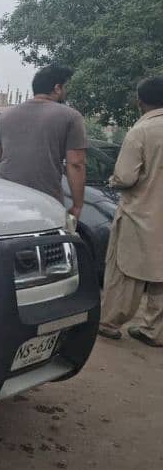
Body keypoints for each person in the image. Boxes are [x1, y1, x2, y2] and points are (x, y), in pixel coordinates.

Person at [99, 77, 163, 347]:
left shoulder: (142, 131)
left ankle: (110, 322)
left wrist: (113, 180)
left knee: (124, 268)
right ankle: (154, 331)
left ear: (140, 101)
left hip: (141, 212)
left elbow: (125, 176)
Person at [0, 65, 88, 221]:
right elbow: (76, 163)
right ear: (57, 88)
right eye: (66, 87)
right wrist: (77, 205)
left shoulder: (5, 115)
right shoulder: (71, 116)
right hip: (46, 202)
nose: (67, 92)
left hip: (6, 200)